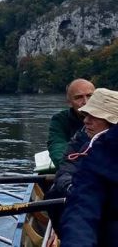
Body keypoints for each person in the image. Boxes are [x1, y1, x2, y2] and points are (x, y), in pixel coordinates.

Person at [45, 88, 117, 235]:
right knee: (54, 194)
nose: (85, 121)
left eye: (94, 116)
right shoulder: (82, 139)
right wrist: (72, 187)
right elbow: (66, 168)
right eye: (86, 115)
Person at [47, 78, 94, 168]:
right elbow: (57, 146)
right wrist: (68, 166)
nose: (85, 102)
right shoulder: (60, 119)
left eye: (89, 96)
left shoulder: (109, 117)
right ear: (69, 102)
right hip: (74, 165)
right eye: (78, 97)